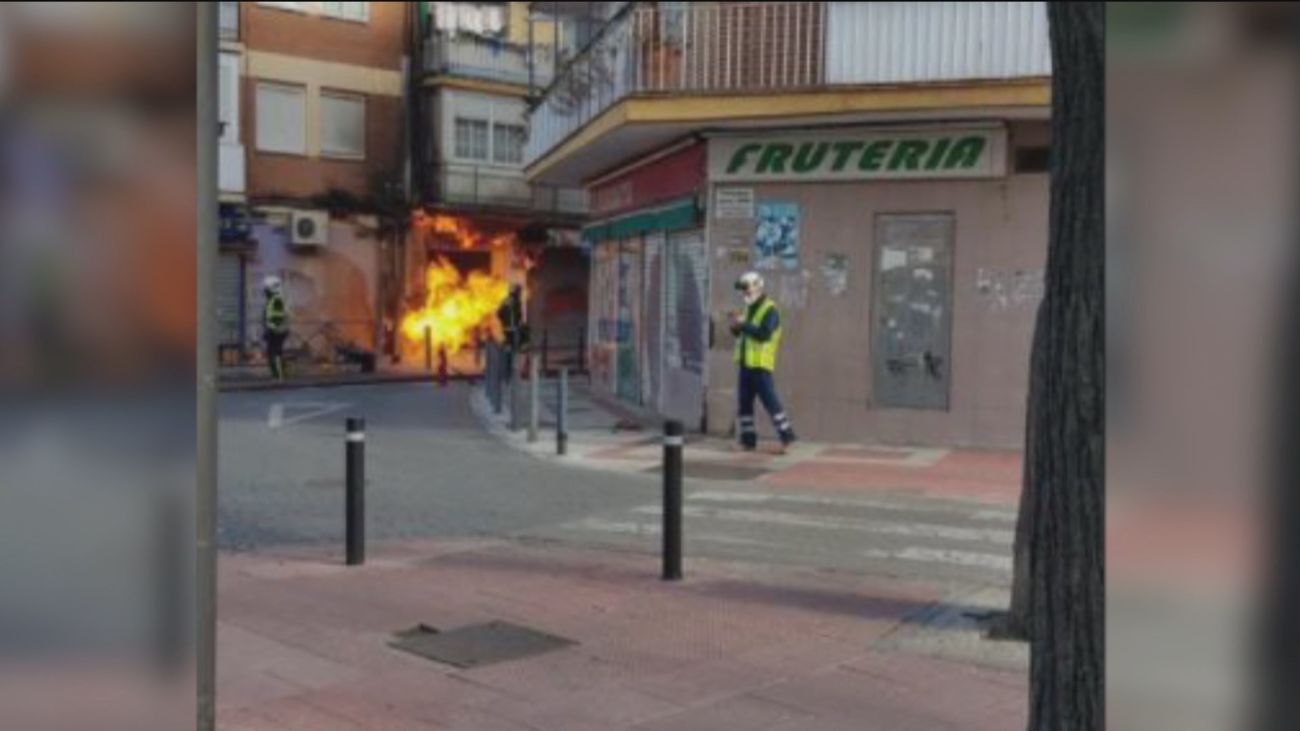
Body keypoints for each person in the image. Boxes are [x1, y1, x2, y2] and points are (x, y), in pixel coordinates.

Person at [730, 271, 797, 452]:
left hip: (761, 366)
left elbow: (764, 334)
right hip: (745, 365)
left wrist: (744, 324)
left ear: (757, 287)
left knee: (771, 402)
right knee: (744, 405)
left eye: (746, 289)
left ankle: (787, 437)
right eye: (742, 290)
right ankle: (748, 440)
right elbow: (744, 334)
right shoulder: (748, 309)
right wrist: (736, 327)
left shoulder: (770, 309)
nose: (744, 293)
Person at [261, 275, 289, 381]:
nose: (264, 292)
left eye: (266, 289)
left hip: (277, 331)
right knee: (273, 353)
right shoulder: (274, 299)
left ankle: (279, 376)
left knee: (275, 353)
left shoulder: (276, 300)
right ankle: (277, 375)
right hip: (276, 330)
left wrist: (270, 329)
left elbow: (277, 317)